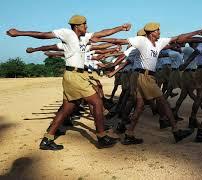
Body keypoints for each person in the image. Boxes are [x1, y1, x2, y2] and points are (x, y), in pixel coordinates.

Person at [7, 15, 132, 150]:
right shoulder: (67, 34)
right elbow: (43, 34)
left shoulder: (84, 38)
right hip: (74, 76)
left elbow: (102, 33)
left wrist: (121, 28)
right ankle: (101, 137)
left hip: (77, 76)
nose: (87, 27)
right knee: (97, 102)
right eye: (85, 24)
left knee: (67, 108)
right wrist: (19, 33)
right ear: (77, 26)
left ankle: (47, 139)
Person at [93, 22, 202, 144]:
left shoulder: (159, 43)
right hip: (144, 77)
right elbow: (120, 41)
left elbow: (179, 37)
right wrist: (99, 39)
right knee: (163, 103)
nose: (159, 32)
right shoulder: (142, 41)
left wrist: (197, 32)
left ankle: (129, 133)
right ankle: (176, 131)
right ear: (151, 32)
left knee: (140, 106)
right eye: (157, 30)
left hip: (147, 77)